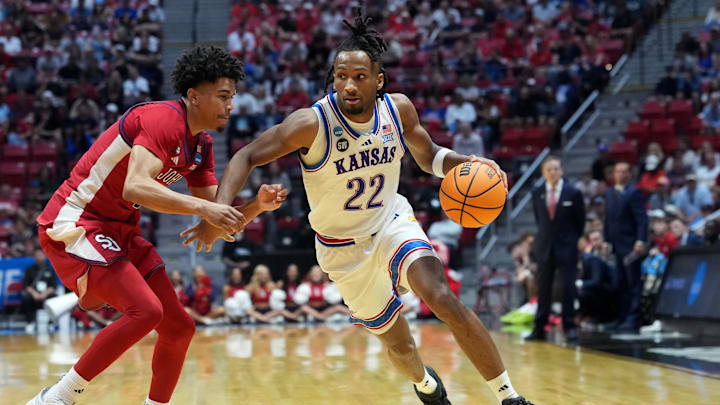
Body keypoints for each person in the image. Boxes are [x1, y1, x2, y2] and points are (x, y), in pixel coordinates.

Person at [183, 12, 532, 405]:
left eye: (360, 77)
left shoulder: (398, 110)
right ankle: (426, 385)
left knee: (441, 295)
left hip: (390, 222)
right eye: (341, 76)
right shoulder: (311, 123)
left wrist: (470, 163)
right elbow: (246, 155)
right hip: (341, 249)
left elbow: (429, 156)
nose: (349, 85)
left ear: (378, 80)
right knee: (401, 351)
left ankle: (509, 396)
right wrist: (218, 209)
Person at [27, 46, 287, 405]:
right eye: (223, 96)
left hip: (122, 230)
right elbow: (136, 186)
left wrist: (257, 205)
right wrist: (203, 209)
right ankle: (56, 398)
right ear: (194, 96)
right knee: (147, 311)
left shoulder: (201, 146)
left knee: (180, 328)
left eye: (233, 97)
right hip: (79, 219)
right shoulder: (162, 118)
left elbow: (215, 221)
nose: (231, 105)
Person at [527, 156, 585, 343]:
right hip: (544, 246)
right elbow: (540, 221)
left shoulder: (573, 193)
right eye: (549, 169)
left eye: (556, 169)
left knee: (568, 287)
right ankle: (539, 327)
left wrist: (572, 241)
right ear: (544, 173)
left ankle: (569, 327)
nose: (553, 172)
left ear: (561, 170)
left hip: (567, 247)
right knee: (543, 288)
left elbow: (580, 222)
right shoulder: (537, 192)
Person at [604, 162, 648, 332]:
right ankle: (622, 316)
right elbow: (608, 220)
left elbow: (641, 219)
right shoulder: (609, 193)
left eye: (624, 171)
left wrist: (640, 241)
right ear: (613, 174)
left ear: (629, 174)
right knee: (620, 283)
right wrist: (607, 241)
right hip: (616, 245)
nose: (621, 174)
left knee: (633, 283)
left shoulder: (634, 192)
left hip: (630, 245)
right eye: (618, 171)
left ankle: (633, 317)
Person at [20, 249, 57, 327]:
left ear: (45, 256)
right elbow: (26, 285)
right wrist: (35, 294)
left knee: (54, 298)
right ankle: (30, 322)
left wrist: (44, 294)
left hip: (46, 294)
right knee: (26, 299)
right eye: (36, 256)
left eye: (40, 255)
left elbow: (53, 286)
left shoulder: (50, 270)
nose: (38, 257)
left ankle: (51, 322)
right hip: (34, 295)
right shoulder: (29, 269)